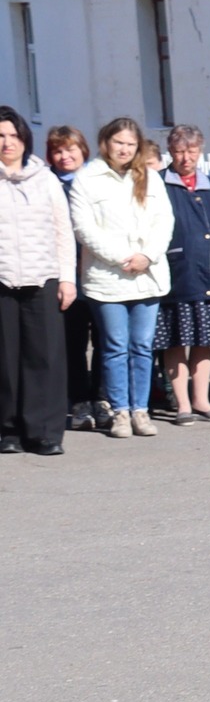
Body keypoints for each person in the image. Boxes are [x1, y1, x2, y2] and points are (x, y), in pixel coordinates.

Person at [70, 118, 173, 439]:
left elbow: (164, 221)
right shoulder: (87, 179)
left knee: (142, 346)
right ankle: (120, 412)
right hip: (107, 278)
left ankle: (140, 410)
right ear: (106, 143)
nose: (125, 149)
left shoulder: (150, 178)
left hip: (148, 275)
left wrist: (147, 256)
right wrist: (121, 258)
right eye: (119, 142)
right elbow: (84, 228)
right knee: (115, 346)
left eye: (130, 144)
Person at [0, 106, 74, 456]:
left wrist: (67, 279)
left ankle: (44, 432)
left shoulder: (44, 179)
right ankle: (8, 430)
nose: (7, 142)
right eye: (0, 136)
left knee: (44, 357)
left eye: (13, 135)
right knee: (5, 359)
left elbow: (63, 232)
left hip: (42, 278)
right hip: (2, 280)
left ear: (25, 138)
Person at [157, 125, 210, 423]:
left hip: (209, 277)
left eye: (191, 151)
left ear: (200, 151)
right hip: (175, 277)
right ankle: (182, 405)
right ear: (170, 152)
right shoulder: (158, 186)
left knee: (203, 341)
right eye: (179, 151)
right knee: (176, 341)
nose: (185, 158)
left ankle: (202, 400)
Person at [45, 126, 98, 431]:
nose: (65, 156)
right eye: (58, 150)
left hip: (101, 273)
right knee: (73, 343)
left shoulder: (97, 181)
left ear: (83, 150)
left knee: (106, 341)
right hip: (66, 276)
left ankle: (102, 397)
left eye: (70, 149)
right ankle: (79, 401)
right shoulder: (48, 185)